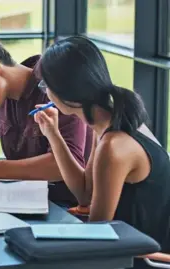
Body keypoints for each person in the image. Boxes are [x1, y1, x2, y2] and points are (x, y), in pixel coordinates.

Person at [33, 36, 169, 259]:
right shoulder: (110, 123)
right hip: (132, 252)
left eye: (46, 85)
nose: (45, 92)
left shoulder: (113, 146)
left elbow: (97, 235)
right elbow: (85, 195)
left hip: (143, 261)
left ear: (64, 91)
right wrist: (54, 136)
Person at [0, 32, 91, 205]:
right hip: (22, 202)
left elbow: (62, 165)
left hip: (67, 209)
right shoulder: (0, 100)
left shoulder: (55, 84)